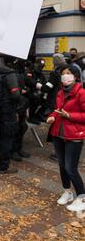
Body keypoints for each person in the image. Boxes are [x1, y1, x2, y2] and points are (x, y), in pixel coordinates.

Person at [47, 65, 85, 212]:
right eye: (63, 74)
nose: (65, 76)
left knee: (71, 168)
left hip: (74, 135)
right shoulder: (60, 93)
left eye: (68, 74)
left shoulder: (81, 93)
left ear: (75, 76)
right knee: (62, 165)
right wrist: (52, 116)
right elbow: (58, 110)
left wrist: (69, 116)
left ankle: (82, 197)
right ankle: (67, 192)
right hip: (59, 134)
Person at [0, 57, 25, 174]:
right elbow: (16, 95)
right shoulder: (10, 74)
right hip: (7, 110)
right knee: (7, 136)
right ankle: (4, 166)